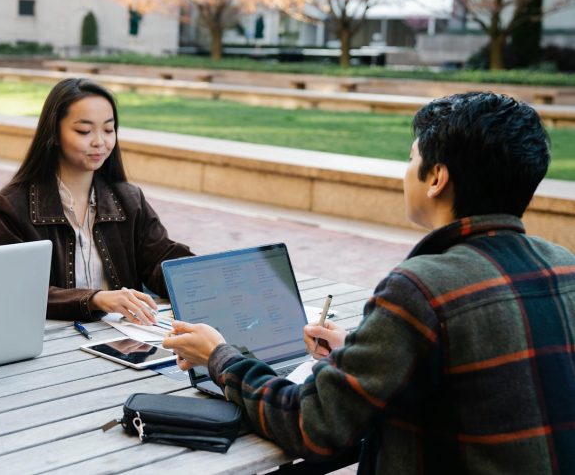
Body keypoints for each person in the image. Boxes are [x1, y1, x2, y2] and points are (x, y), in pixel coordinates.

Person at [164, 92, 575, 474]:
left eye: (411, 158)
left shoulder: (420, 289)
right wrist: (361, 356)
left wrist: (219, 357)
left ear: (436, 178)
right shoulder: (565, 267)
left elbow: (314, 424)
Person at [0, 78, 192, 323]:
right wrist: (95, 299)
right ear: (54, 133)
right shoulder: (9, 207)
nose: (99, 142)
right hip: (48, 344)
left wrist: (198, 275)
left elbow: (162, 259)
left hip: (125, 340)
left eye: (108, 129)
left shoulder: (129, 200)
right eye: (84, 131)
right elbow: (11, 290)